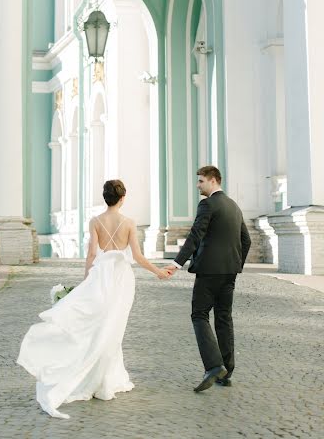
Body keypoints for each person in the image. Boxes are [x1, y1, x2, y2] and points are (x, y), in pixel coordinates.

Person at [17, 179, 170, 418]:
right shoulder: (129, 223)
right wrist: (159, 272)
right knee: (113, 328)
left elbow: (91, 254)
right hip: (121, 279)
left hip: (100, 276)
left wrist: (87, 281)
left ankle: (102, 377)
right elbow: (138, 257)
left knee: (99, 326)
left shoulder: (95, 222)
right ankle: (106, 381)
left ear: (105, 197)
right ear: (122, 198)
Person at [165, 166, 251, 392]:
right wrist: (235, 265)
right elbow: (246, 240)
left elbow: (196, 235)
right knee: (224, 318)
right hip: (229, 272)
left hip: (208, 272)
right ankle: (227, 371)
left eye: (201, 181)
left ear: (213, 180)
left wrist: (176, 263)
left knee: (199, 315)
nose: (198, 185)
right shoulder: (234, 206)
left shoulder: (208, 204)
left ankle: (214, 366)